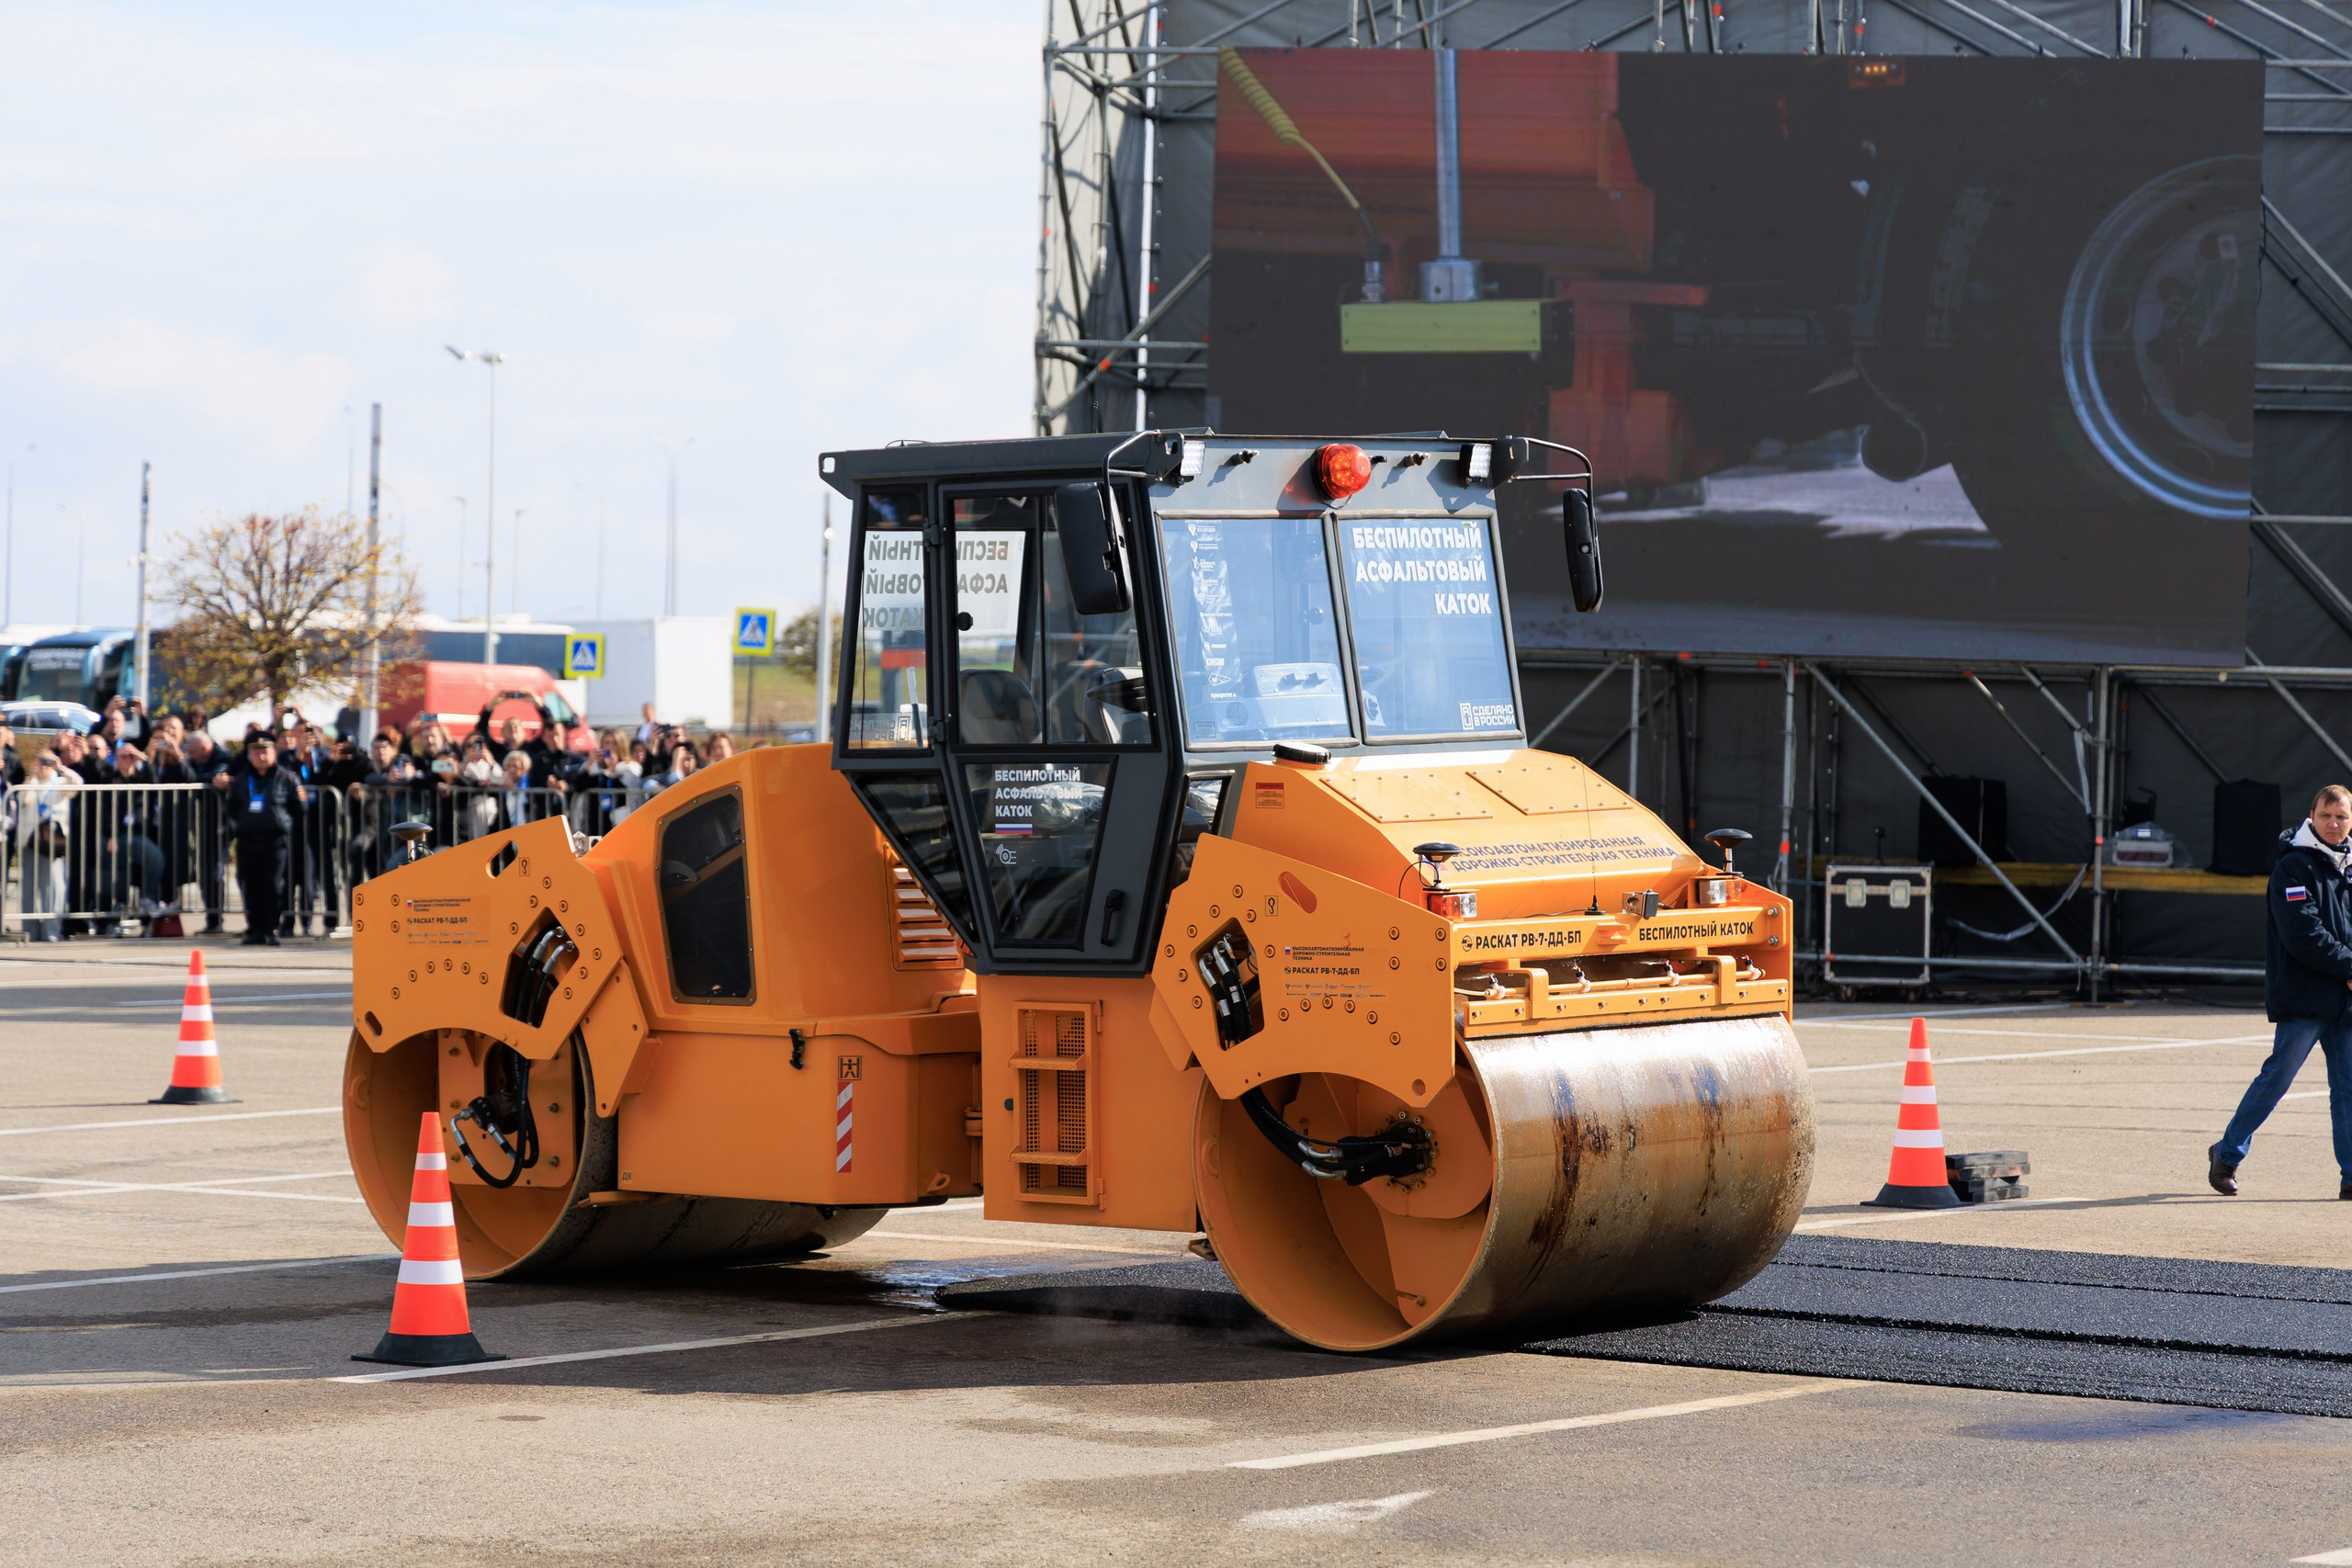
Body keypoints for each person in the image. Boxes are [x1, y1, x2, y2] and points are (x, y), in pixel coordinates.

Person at [2211, 784, 2352, 1198]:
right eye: (2326, 816)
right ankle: (2227, 1155)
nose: (2333, 824)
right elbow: (2302, 933)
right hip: (2305, 997)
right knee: (2277, 1080)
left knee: (2348, 1091)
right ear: (2312, 815)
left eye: (2341, 817)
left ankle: (2351, 1177)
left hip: (2346, 1000)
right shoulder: (2292, 866)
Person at [217, 732, 305, 946]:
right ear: (249, 755)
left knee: (273, 885)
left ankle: (271, 928)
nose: (261, 756)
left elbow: (300, 807)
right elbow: (232, 808)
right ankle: (255, 929)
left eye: (265, 752)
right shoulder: (240, 780)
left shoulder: (287, 777)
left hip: (275, 840)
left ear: (273, 752)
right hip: (248, 839)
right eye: (256, 752)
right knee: (250, 884)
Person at [14, 749, 75, 941]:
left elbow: (78, 784)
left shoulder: (60, 782)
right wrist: (32, 777)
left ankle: (51, 932)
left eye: (49, 762)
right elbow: (24, 800)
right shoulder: (29, 783)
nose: (45, 766)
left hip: (53, 843)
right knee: (30, 889)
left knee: (54, 888)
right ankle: (30, 931)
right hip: (30, 841)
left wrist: (61, 767)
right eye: (42, 762)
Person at [180, 729, 232, 932]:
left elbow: (212, 777)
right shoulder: (197, 759)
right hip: (204, 823)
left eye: (192, 753)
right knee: (204, 871)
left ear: (204, 748)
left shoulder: (222, 757)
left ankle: (216, 917)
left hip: (222, 822)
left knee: (214, 871)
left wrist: (190, 774)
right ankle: (212, 918)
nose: (190, 757)